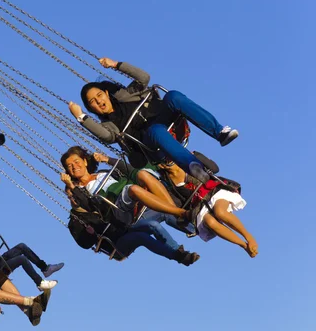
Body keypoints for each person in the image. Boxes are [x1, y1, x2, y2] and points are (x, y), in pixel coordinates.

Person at [68, 57, 239, 183]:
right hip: (151, 143)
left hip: (168, 121)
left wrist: (116, 65)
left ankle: (220, 133)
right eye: (93, 102)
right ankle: (193, 165)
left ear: (106, 93)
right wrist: (81, 117)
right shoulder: (109, 125)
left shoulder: (127, 94)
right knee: (156, 130)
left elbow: (144, 78)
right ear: (91, 108)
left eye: (99, 95)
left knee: (173, 96)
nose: (99, 101)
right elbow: (106, 136)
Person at [65, 189, 200, 265]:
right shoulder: (76, 221)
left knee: (158, 216)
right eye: (71, 196)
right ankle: (178, 256)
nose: (74, 199)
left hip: (126, 226)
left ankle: (195, 229)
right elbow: (84, 244)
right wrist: (90, 234)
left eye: (76, 195)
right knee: (142, 237)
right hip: (117, 243)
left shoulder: (95, 202)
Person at [156, 156, 258, 257]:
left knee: (220, 212)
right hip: (200, 205)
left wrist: (196, 157)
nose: (170, 162)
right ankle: (244, 245)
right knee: (210, 222)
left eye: (170, 159)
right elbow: (179, 204)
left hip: (214, 190)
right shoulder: (170, 185)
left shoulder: (187, 162)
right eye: (166, 161)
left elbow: (214, 168)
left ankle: (248, 236)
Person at [60, 146, 190, 225]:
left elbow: (127, 171)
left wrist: (108, 160)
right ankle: (180, 212)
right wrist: (71, 186)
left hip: (127, 190)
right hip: (117, 204)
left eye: (76, 162)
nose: (74, 166)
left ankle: (175, 212)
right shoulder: (79, 190)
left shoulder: (101, 173)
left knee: (142, 174)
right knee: (132, 189)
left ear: (85, 162)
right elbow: (88, 205)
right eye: (69, 166)